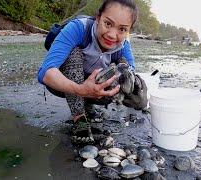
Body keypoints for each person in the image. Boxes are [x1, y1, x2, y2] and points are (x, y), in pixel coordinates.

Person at [37, 0, 147, 128]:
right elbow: (45, 72)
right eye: (107, 23)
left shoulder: (124, 46)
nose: (112, 35)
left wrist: (135, 92)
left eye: (122, 29)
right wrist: (81, 90)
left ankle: (88, 107)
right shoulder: (78, 28)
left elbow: (131, 72)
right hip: (63, 84)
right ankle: (79, 118)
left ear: (128, 31)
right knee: (74, 53)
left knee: (126, 71)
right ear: (98, 17)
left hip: (97, 89)